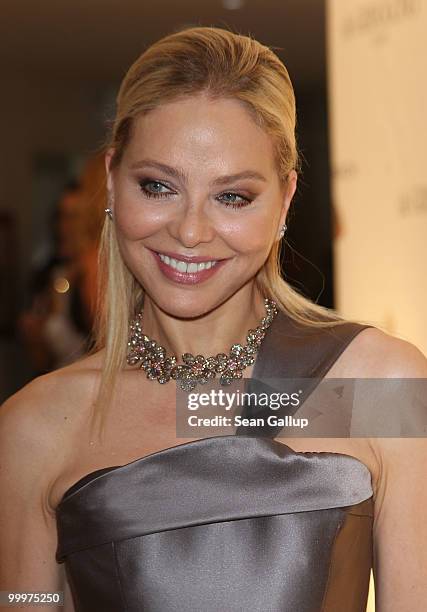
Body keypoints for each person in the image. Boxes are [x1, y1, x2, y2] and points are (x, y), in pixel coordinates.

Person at [1, 26, 426, 612]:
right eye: (158, 186)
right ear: (110, 182)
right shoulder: (36, 428)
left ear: (285, 200)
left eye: (233, 196)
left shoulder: (381, 389)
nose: (191, 231)